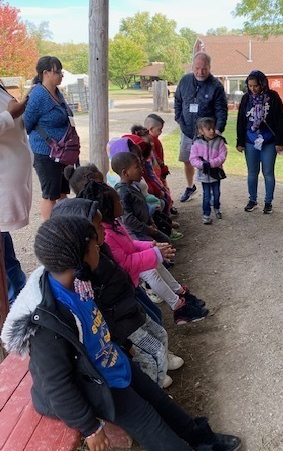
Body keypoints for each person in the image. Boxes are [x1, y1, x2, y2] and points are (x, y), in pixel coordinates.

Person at [0, 216, 249, 451]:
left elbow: (95, 321)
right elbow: (57, 385)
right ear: (78, 257)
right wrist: (89, 428)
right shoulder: (48, 321)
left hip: (110, 362)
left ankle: (199, 437)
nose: (100, 247)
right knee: (147, 421)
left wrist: (120, 345)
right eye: (95, 246)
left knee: (159, 401)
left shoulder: (77, 280)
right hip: (91, 386)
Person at [51, 197, 181, 389]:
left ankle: (156, 383)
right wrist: (123, 342)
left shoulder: (101, 250)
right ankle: (155, 392)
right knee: (154, 357)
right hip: (121, 326)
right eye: (97, 226)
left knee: (160, 336)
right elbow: (98, 314)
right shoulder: (82, 277)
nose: (103, 228)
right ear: (80, 235)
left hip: (130, 310)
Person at [78, 180, 208, 325]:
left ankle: (180, 298)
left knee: (156, 309)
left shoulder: (115, 224)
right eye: (118, 201)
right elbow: (125, 263)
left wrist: (150, 246)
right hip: (127, 284)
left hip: (132, 281)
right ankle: (179, 307)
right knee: (153, 307)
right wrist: (154, 253)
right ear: (108, 208)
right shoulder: (106, 234)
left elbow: (130, 244)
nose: (122, 203)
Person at [24, 56, 79, 220]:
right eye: (58, 72)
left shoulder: (56, 92)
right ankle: (50, 232)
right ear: (46, 73)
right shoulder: (38, 96)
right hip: (46, 153)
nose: (61, 75)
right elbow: (26, 124)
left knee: (62, 191)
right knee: (50, 195)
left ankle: (66, 225)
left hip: (61, 153)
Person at [174, 52, 228, 203]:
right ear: (192, 66)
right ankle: (190, 186)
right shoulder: (185, 80)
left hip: (207, 133)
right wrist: (178, 118)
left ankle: (212, 191)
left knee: (210, 161)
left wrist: (217, 130)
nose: (200, 72)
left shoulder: (216, 86)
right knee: (187, 159)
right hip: (187, 130)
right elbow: (178, 100)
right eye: (197, 68)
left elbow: (221, 110)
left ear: (209, 67)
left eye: (204, 69)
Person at [236, 70, 283, 214]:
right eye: (250, 86)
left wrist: (279, 140)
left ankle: (268, 202)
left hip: (269, 141)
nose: (253, 89)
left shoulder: (273, 97)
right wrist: (240, 141)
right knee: (252, 173)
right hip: (250, 140)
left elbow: (280, 120)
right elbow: (241, 120)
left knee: (268, 172)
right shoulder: (246, 99)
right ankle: (252, 200)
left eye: (256, 86)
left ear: (262, 84)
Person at [0, 80, 32, 304]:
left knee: (4, 244)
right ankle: (13, 301)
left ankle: (18, 291)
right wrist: (8, 115)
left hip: (10, 181)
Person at [190, 117, 228, 225]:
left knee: (216, 193)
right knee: (206, 195)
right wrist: (202, 165)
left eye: (213, 128)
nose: (212, 131)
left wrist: (210, 163)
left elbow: (222, 156)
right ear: (201, 131)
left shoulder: (219, 141)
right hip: (204, 174)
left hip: (216, 173)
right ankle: (206, 214)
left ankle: (216, 207)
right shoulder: (196, 143)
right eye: (208, 129)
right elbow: (193, 158)